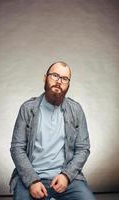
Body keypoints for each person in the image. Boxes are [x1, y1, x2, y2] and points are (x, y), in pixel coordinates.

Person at [9, 61, 95, 200]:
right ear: (45, 78)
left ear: (68, 84)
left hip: (66, 179)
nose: (59, 81)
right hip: (32, 178)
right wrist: (32, 181)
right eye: (54, 75)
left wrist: (66, 176)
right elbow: (17, 148)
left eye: (64, 79)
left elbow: (83, 148)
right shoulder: (27, 109)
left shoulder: (76, 110)